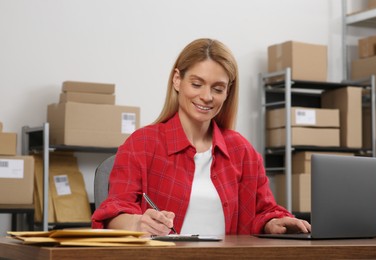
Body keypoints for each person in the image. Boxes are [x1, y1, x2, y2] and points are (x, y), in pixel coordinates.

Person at [91, 38, 311, 236]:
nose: (206, 97)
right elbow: (114, 211)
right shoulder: (142, 144)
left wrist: (273, 222)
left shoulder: (241, 150)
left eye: (217, 88)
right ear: (177, 80)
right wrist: (137, 223)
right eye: (197, 84)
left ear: (227, 92)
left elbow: (262, 211)